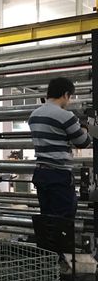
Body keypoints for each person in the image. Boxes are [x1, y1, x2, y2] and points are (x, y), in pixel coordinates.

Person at [28, 77, 91, 218]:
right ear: (66, 94)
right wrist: (85, 127)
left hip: (40, 173)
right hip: (58, 175)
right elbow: (83, 142)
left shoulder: (34, 115)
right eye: (70, 97)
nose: (69, 101)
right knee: (64, 219)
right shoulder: (65, 116)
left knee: (47, 218)